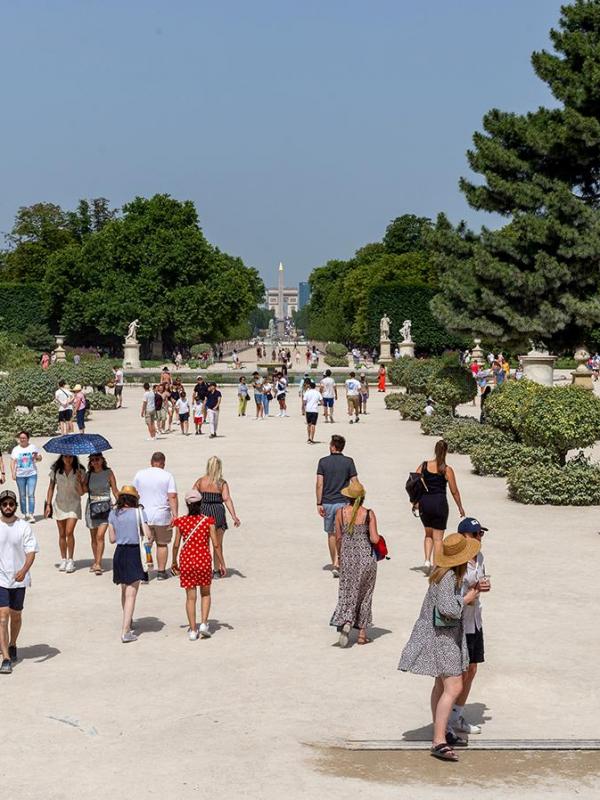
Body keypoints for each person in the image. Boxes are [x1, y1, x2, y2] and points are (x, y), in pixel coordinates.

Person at [398, 533, 481, 762]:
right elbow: (447, 608)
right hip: (443, 637)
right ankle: (439, 740)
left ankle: (442, 731)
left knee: (440, 685)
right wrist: (466, 599)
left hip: (441, 635)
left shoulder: (442, 574)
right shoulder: (447, 578)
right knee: (454, 686)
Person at [447, 517, 492, 737]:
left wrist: (483, 586)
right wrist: (470, 592)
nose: (479, 538)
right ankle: (446, 719)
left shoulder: (480, 557)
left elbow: (479, 581)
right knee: (457, 673)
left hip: (475, 620)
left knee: (472, 668)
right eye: (476, 534)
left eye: (481, 534)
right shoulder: (455, 561)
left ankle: (456, 716)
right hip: (459, 620)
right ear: (463, 537)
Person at [330, 482, 381, 647]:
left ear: (347, 497)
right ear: (363, 497)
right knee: (365, 595)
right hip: (366, 559)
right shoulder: (368, 514)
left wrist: (339, 556)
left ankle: (346, 619)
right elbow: (374, 539)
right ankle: (361, 635)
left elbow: (338, 538)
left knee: (348, 593)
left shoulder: (340, 513)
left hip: (348, 559)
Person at [171, 490, 226, 640]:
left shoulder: (181, 522)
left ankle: (193, 630)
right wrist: (221, 563)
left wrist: (174, 561)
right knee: (206, 593)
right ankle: (203, 623)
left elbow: (176, 545)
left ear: (187, 505)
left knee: (190, 597)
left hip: (187, 560)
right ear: (201, 504)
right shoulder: (208, 521)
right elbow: (215, 545)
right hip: (203, 559)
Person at [0, 489, 39, 674]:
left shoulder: (23, 526)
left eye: (11, 504)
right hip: (1, 578)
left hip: (19, 579)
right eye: (4, 504)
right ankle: (6, 658)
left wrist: (24, 570)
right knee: (2, 617)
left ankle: (13, 643)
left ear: (15, 506)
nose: (8, 507)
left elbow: (31, 551)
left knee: (15, 616)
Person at [108, 485, 151, 643]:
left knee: (124, 590)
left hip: (119, 553)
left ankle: (128, 620)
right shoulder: (139, 513)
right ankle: (126, 631)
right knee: (131, 594)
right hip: (134, 553)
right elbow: (148, 535)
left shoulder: (113, 513)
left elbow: (112, 539)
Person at [414, 440, 465, 572]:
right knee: (438, 538)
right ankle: (437, 566)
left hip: (425, 502)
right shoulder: (447, 470)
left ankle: (426, 560)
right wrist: (460, 507)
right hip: (439, 503)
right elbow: (454, 491)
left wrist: (415, 501)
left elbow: (414, 481)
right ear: (446, 452)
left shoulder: (424, 465)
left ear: (435, 450)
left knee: (428, 534)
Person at [316, 435, 358, 577]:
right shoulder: (349, 462)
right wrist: (357, 501)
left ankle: (335, 563)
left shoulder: (323, 462)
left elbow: (319, 484)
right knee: (344, 534)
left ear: (333, 446)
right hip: (344, 503)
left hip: (328, 502)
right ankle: (339, 562)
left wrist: (318, 503)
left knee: (331, 534)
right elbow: (355, 482)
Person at [133, 452, 178, 581]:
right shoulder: (167, 476)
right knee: (162, 544)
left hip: (144, 515)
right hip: (162, 515)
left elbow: (134, 493)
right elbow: (172, 496)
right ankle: (161, 572)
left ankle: (144, 572)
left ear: (151, 462)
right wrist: (175, 515)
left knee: (146, 544)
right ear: (163, 463)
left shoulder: (139, 474)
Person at [192, 456, 240, 576]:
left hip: (203, 512)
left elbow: (192, 496)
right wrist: (234, 516)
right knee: (217, 543)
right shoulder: (222, 483)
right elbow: (226, 499)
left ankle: (205, 569)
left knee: (204, 544)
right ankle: (216, 570)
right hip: (217, 512)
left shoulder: (200, 481)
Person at [45, 454, 86, 573]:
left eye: (70, 457)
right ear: (61, 458)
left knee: (69, 531)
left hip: (74, 504)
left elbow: (82, 492)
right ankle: (63, 559)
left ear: (74, 458)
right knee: (62, 533)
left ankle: (71, 559)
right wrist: (48, 504)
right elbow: (51, 487)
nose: (68, 459)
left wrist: (79, 480)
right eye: (65, 457)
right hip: (59, 504)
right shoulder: (56, 470)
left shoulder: (80, 470)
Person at [84, 453, 118, 575]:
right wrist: (79, 480)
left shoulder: (108, 473)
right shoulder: (88, 475)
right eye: (92, 460)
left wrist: (121, 503)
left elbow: (115, 490)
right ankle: (96, 560)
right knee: (93, 537)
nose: (95, 462)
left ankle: (98, 564)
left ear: (102, 460)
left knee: (100, 536)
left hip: (105, 506)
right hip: (92, 507)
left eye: (97, 459)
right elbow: (83, 491)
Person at [10, 431, 41, 522]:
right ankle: (24, 514)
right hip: (20, 475)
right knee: (22, 495)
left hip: (32, 474)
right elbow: (12, 462)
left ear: (28, 439)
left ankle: (31, 514)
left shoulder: (32, 447)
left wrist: (37, 457)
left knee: (31, 494)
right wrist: (13, 473)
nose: (22, 440)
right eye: (21, 438)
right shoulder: (16, 449)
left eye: (24, 438)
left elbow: (39, 459)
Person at [303, 380, 321, 444]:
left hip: (308, 410)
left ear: (310, 386)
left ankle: (308, 437)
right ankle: (312, 438)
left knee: (309, 425)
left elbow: (304, 402)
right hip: (315, 410)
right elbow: (322, 402)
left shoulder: (307, 393)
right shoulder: (318, 393)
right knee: (313, 425)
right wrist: (317, 403)